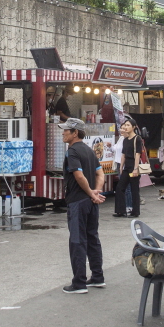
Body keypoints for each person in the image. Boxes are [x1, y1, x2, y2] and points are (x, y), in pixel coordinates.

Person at [59, 119, 106, 294]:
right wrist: (96, 191)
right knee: (92, 237)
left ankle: (79, 283)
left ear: (75, 133)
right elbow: (100, 173)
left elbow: (78, 176)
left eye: (66, 131)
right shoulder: (89, 150)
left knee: (77, 240)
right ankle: (97, 277)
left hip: (78, 201)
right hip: (90, 202)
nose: (63, 133)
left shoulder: (72, 152)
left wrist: (90, 192)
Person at [114, 118, 142, 218]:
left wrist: (135, 168)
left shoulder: (137, 139)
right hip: (126, 166)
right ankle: (120, 210)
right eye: (125, 125)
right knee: (120, 187)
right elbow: (123, 154)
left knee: (134, 189)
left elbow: (138, 154)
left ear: (133, 127)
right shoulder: (125, 139)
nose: (125, 127)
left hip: (134, 165)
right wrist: (121, 166)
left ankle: (135, 211)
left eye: (128, 125)